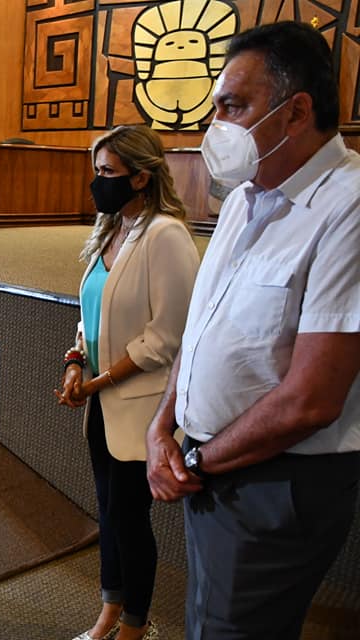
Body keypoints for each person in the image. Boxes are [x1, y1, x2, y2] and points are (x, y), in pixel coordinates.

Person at [145, 21, 360, 640]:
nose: (215, 126)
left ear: (296, 112)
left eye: (233, 106)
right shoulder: (244, 196)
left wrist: (195, 459)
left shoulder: (348, 207)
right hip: (211, 462)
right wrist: (163, 424)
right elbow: (203, 327)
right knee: (208, 621)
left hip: (275, 482)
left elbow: (312, 399)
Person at [55, 125, 199, 640]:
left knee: (129, 520)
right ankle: (108, 614)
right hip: (102, 405)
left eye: (108, 172)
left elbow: (167, 336)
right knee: (109, 515)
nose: (98, 182)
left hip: (142, 407)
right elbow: (91, 313)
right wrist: (76, 361)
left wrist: (98, 382)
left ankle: (136, 626)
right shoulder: (110, 229)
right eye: (95, 171)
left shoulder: (166, 236)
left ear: (141, 177)